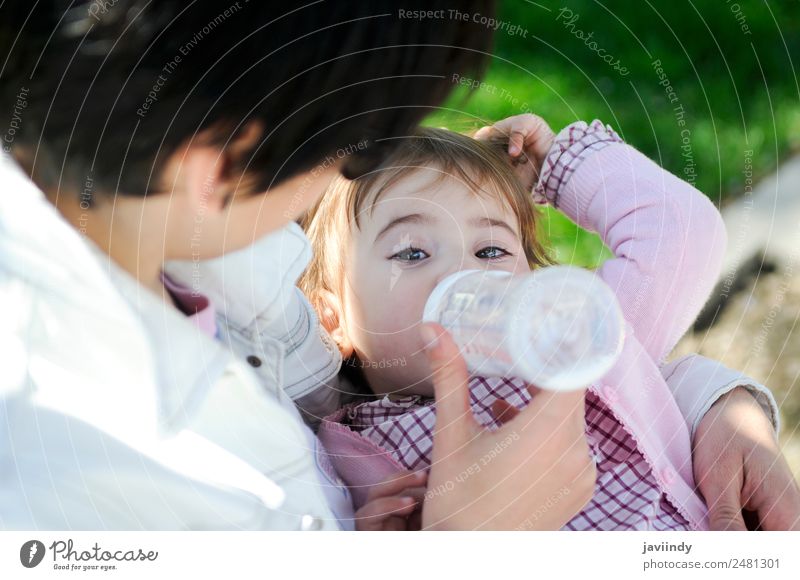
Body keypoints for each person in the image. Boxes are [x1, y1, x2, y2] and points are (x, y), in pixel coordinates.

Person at [294, 117, 799, 529]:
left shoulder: (574, 339)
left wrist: (557, 168)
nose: (465, 273)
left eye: (491, 249)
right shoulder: (346, 449)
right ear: (331, 320)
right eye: (412, 252)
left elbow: (681, 234)